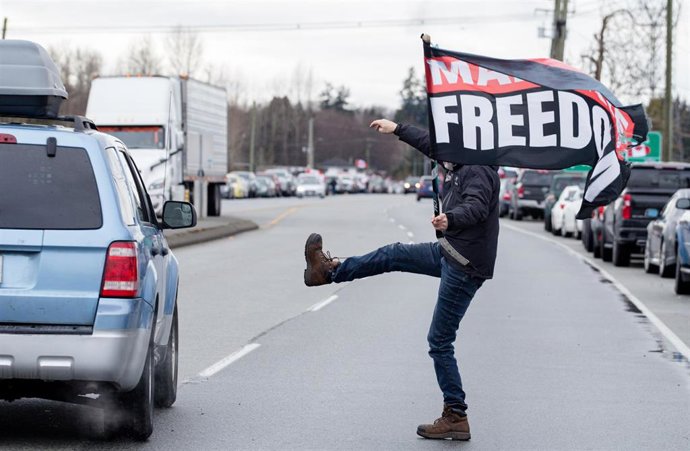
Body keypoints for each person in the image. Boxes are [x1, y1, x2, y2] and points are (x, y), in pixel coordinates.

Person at [303, 118, 500, 441]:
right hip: (450, 252)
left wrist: (451, 218)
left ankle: (456, 415)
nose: (439, 155)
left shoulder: (475, 169)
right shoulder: (459, 160)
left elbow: (477, 208)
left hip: (464, 265)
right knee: (393, 253)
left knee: (439, 341)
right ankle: (329, 272)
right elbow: (428, 144)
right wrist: (397, 129)